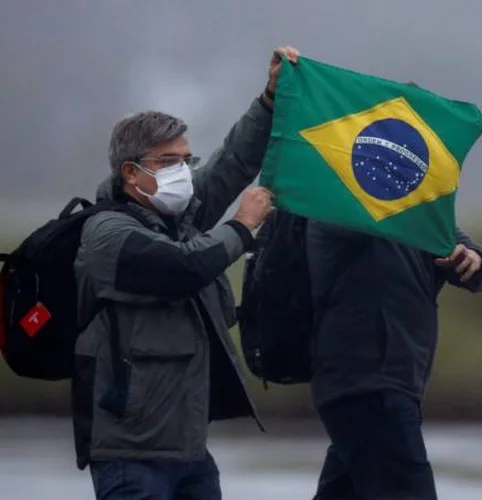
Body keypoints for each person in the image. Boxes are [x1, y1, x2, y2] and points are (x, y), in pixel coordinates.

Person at [71, 45, 301, 499]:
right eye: (168, 162)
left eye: (185, 159)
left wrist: (270, 100)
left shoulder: (181, 217)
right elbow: (184, 267)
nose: (182, 171)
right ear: (130, 173)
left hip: (190, 452)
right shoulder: (107, 233)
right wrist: (242, 225)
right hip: (130, 455)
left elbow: (232, 163)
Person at [307, 221, 482, 499]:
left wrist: (476, 259)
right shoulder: (341, 204)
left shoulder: (414, 212)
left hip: (391, 383)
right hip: (370, 382)